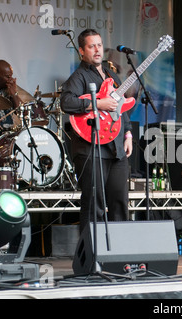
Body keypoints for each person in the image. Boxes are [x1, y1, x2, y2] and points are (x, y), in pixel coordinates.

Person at [60, 29, 133, 232]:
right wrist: (98, 104)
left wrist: (128, 134)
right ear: (82, 51)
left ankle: (120, 256)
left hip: (116, 148)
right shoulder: (79, 76)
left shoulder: (112, 74)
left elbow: (121, 108)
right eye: (91, 46)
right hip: (91, 149)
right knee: (95, 205)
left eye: (99, 45)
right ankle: (92, 256)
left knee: (120, 202)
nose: (97, 49)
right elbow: (66, 102)